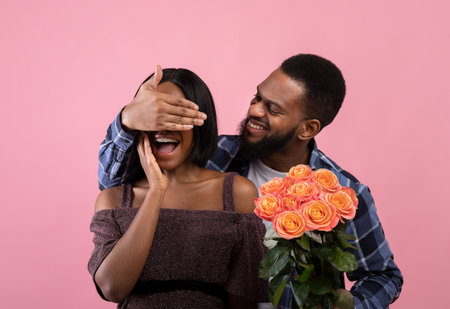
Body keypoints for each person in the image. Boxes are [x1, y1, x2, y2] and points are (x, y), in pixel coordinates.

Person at [97, 54, 403, 309]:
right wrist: (127, 120)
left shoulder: (345, 193)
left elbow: (384, 275)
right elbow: (116, 184)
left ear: (307, 129)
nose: (255, 110)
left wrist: (350, 304)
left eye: (273, 109)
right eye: (258, 96)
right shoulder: (212, 156)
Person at [89, 68, 268, 308]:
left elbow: (244, 301)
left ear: (200, 123)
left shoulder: (238, 192)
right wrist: (156, 192)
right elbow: (112, 288)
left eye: (176, 116)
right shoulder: (113, 199)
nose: (163, 127)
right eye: (155, 115)